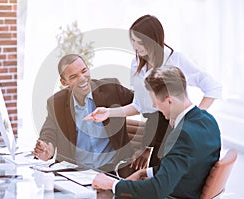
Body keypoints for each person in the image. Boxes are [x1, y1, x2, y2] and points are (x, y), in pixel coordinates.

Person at [84, 14, 222, 168]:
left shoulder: (176, 59)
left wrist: (191, 119)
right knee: (150, 174)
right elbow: (139, 106)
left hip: (172, 126)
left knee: (163, 174)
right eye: (133, 41)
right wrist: (108, 112)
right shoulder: (136, 64)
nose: (136, 46)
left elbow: (213, 87)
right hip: (153, 128)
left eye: (140, 42)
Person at [92, 66, 221, 199]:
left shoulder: (181, 135)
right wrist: (146, 172)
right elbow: (187, 166)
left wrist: (112, 184)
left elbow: (158, 190)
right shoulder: (208, 121)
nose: (155, 107)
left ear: (169, 100)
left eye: (155, 102)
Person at [33, 54, 136, 177]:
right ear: (64, 82)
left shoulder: (111, 89)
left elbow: (146, 104)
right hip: (75, 174)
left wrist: (148, 147)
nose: (82, 78)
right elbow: (49, 132)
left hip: (114, 172)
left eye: (84, 71)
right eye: (73, 77)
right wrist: (47, 148)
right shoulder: (56, 103)